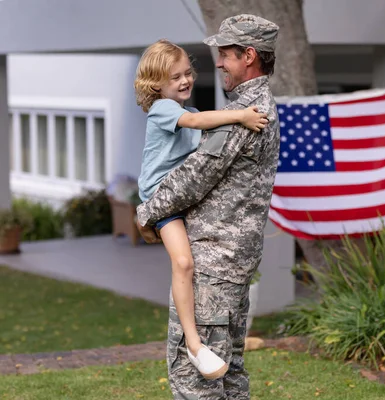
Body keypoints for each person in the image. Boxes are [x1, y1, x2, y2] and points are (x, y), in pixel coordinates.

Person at [136, 14, 280, 399]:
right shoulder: (264, 105)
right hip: (236, 260)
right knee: (230, 374)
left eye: (226, 54)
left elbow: (192, 179)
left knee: (196, 383)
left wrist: (145, 213)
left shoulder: (244, 116)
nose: (217, 62)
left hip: (214, 267)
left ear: (249, 56)